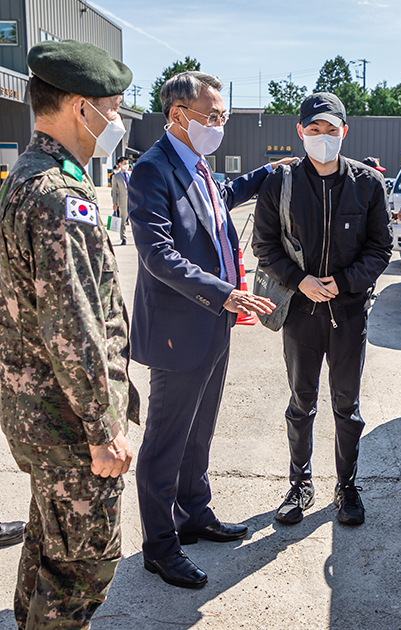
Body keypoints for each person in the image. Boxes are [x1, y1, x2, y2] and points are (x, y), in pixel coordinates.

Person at [128, 71, 288, 590]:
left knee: (201, 430)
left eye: (224, 117)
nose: (220, 126)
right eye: (212, 117)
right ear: (178, 116)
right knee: (165, 440)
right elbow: (158, 256)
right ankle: (160, 544)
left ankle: (194, 512)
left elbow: (223, 194)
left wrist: (268, 172)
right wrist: (225, 294)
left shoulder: (197, 165)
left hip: (211, 324)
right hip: (181, 328)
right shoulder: (153, 171)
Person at [0, 40, 138, 629]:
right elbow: (74, 325)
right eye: (114, 105)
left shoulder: (22, 179)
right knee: (83, 569)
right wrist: (103, 430)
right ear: (81, 108)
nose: (119, 119)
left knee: (47, 548)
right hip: (69, 424)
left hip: (36, 414)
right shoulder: (60, 199)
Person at [252, 92, 392, 526]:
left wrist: (346, 281)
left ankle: (346, 485)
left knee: (347, 405)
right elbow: (264, 245)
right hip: (300, 313)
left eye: (331, 130)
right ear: (300, 132)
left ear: (344, 132)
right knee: (302, 402)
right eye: (314, 129)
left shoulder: (368, 183)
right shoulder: (280, 182)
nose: (322, 137)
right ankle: (299, 483)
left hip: (348, 314)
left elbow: (381, 247)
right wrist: (300, 282)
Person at [111, 156, 130, 245]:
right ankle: (123, 237)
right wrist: (114, 203)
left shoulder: (131, 174)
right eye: (125, 164)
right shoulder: (116, 176)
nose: (127, 165)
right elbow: (114, 191)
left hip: (133, 200)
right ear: (120, 164)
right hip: (122, 201)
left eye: (127, 163)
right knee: (123, 221)